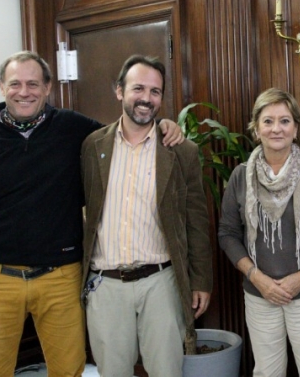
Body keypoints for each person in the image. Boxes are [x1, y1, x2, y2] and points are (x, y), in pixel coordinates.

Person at [0, 51, 183, 377]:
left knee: (69, 370)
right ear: (2, 87)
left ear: (47, 88)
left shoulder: (74, 129)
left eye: (33, 83)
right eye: (15, 83)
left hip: (61, 278)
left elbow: (127, 133)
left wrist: (165, 126)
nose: (24, 91)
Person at [80, 55, 212, 377]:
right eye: (138, 88)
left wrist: (201, 280)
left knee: (167, 371)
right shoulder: (92, 145)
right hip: (106, 284)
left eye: (155, 91)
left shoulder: (181, 151)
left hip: (161, 283)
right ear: (119, 91)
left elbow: (196, 219)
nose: (146, 98)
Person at [218, 88, 300, 377]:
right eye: (268, 121)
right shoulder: (240, 176)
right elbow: (227, 234)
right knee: (266, 372)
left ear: (296, 127)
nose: (277, 129)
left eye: (285, 121)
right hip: (260, 294)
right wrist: (258, 279)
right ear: (256, 128)